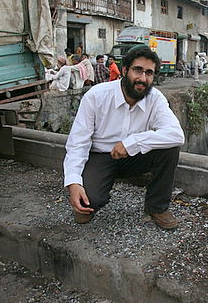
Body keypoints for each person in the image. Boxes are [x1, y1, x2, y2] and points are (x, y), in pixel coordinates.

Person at [63, 45, 185, 229]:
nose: (143, 78)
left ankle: (157, 208)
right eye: (138, 70)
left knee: (169, 149)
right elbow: (77, 143)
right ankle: (90, 196)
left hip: (134, 156)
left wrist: (132, 143)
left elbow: (176, 134)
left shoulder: (156, 98)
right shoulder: (96, 96)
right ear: (125, 70)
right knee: (89, 202)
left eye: (149, 73)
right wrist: (73, 182)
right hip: (101, 157)